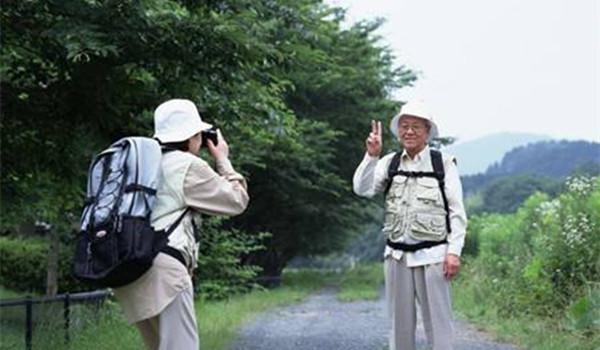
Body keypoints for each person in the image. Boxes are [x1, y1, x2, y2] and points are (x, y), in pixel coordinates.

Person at [112, 99, 249, 350]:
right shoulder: (187, 166)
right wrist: (223, 160)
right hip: (165, 271)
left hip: (131, 268)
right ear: (192, 135)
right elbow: (236, 201)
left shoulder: (140, 164)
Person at [352, 100, 467, 350]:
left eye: (416, 126)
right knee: (398, 327)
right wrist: (371, 156)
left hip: (434, 256)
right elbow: (362, 189)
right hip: (396, 257)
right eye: (404, 126)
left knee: (439, 326)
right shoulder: (390, 163)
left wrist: (454, 252)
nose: (409, 132)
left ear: (427, 132)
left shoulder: (443, 164)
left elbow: (457, 212)